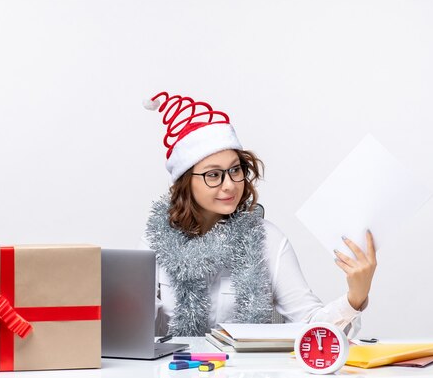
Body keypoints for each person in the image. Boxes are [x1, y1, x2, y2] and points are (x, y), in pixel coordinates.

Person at [140, 91, 377, 338]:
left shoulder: (268, 240)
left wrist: (355, 297)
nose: (230, 184)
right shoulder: (155, 243)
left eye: (235, 170)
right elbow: (136, 330)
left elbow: (312, 327)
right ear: (185, 182)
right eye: (213, 175)